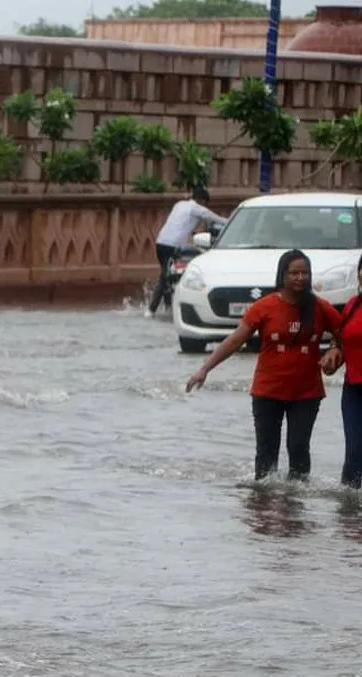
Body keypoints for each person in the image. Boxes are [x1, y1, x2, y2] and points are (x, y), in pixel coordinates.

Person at [187, 249, 343, 481]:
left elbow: (345, 333)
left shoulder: (320, 307)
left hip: (306, 393)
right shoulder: (264, 307)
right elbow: (235, 340)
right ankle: (262, 511)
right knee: (266, 457)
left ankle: (296, 508)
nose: (300, 278)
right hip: (267, 392)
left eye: (305, 273)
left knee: (299, 449)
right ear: (283, 276)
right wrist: (205, 368)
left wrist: (334, 350)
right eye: (294, 273)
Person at [149, 186, 229, 315]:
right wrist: (234, 222)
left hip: (160, 242)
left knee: (168, 275)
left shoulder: (179, 204)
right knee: (165, 277)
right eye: (205, 203)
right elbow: (219, 220)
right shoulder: (198, 209)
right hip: (173, 246)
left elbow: (181, 224)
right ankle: (151, 310)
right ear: (202, 200)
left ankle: (168, 308)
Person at [320, 254, 362, 488]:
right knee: (355, 451)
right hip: (354, 389)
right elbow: (342, 339)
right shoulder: (352, 305)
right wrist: (334, 352)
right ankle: (348, 513)